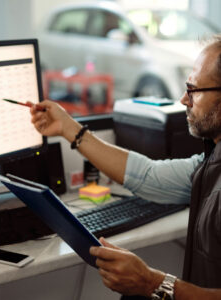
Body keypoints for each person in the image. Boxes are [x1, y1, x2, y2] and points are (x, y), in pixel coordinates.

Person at [29, 34, 221, 299]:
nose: (183, 100)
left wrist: (153, 283)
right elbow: (148, 176)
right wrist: (68, 128)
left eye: (193, 90)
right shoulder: (211, 162)